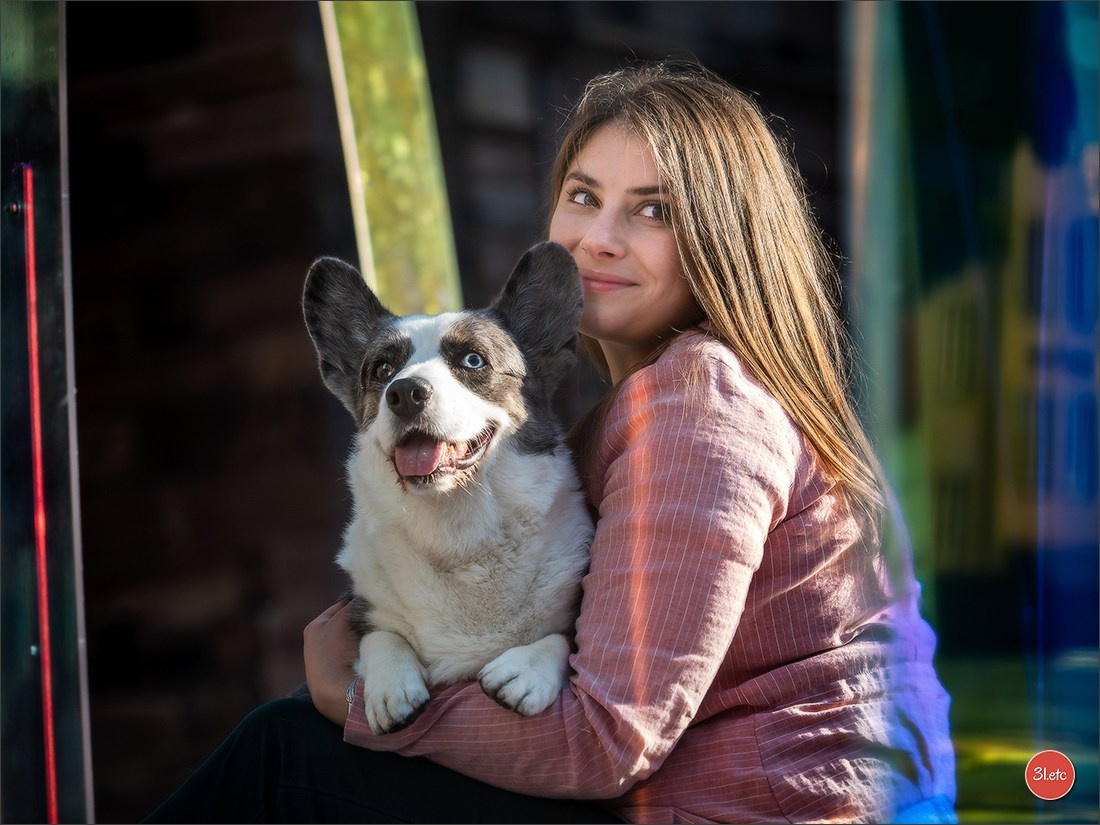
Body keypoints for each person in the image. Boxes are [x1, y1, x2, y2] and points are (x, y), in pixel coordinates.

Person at [144, 59, 956, 824]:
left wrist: (350, 700)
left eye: (652, 210)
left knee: (282, 752)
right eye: (581, 195)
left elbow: (609, 736)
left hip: (758, 810)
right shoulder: (642, 404)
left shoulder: (701, 400)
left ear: (724, 238)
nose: (597, 238)